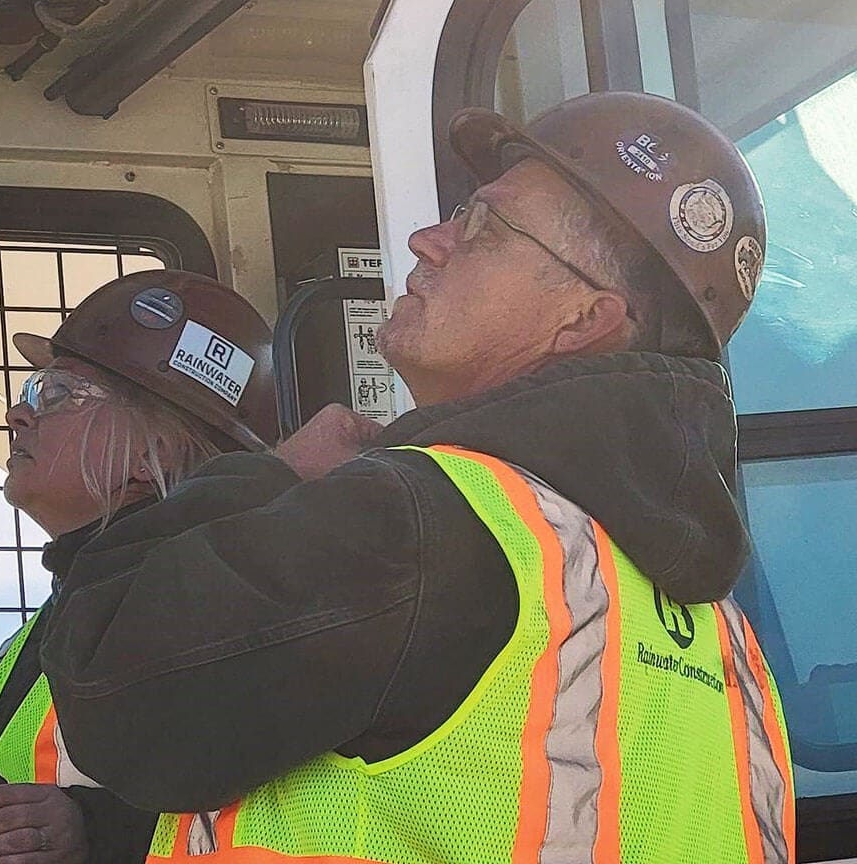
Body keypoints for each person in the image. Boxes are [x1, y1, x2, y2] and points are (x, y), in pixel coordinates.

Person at [40, 93, 794, 863]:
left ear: (585, 319)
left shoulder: (423, 523)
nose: (427, 241)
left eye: (483, 230)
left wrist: (273, 475)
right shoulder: (720, 633)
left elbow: (109, 684)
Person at [0, 269, 279, 864]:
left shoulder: (224, 602)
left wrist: (102, 834)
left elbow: (277, 807)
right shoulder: (64, 615)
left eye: (55, 395)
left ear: (150, 453)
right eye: (33, 392)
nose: (17, 415)